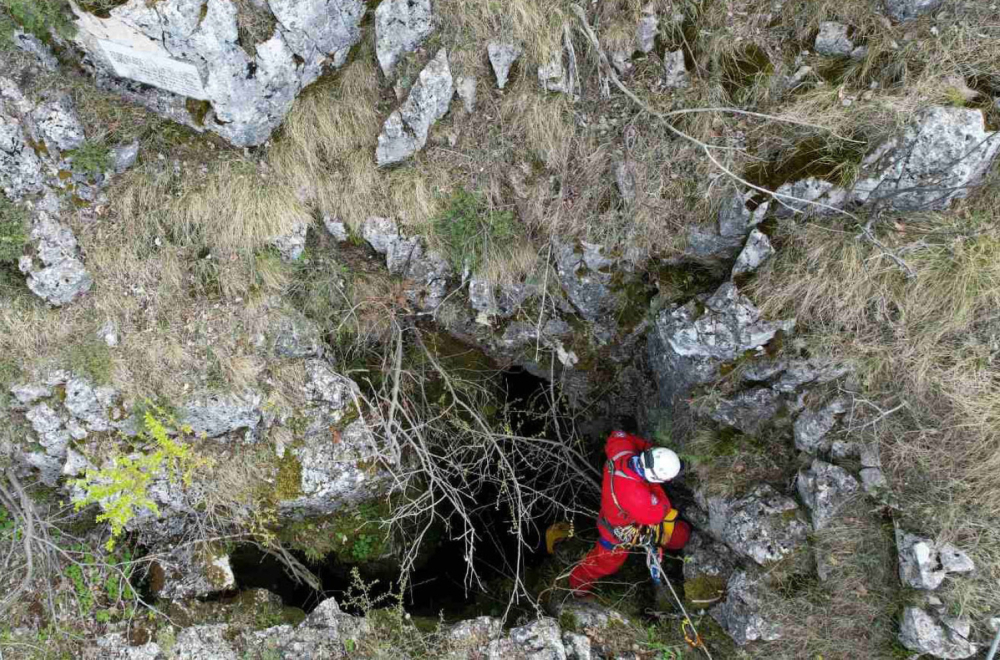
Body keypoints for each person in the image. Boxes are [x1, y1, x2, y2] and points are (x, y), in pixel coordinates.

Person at [568, 430, 690, 595]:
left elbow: (617, 435)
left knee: (680, 534)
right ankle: (577, 587)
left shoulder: (622, 452)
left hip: (621, 511)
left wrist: (650, 450)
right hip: (617, 532)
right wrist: (654, 484)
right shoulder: (636, 496)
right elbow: (662, 509)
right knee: (604, 564)